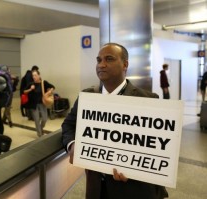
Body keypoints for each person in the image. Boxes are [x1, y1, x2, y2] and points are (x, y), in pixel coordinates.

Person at [62, 43, 168, 199]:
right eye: (99, 60)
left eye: (109, 59)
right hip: (97, 189)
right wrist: (72, 145)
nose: (101, 65)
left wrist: (134, 171)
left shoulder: (147, 100)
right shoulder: (87, 97)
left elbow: (157, 148)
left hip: (134, 191)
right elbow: (69, 125)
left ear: (125, 64)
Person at [24, 70, 55, 137]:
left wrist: (50, 91)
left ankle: (41, 128)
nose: (34, 77)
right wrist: (30, 89)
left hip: (42, 103)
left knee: (44, 118)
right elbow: (24, 92)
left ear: (39, 75)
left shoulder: (43, 83)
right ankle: (39, 134)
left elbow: (53, 87)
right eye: (33, 75)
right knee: (37, 120)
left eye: (35, 75)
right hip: (33, 105)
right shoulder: (31, 84)